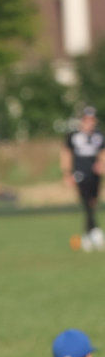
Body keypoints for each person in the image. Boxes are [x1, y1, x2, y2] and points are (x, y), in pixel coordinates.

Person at [61, 106, 103, 250]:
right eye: (87, 120)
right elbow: (66, 153)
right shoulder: (73, 136)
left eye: (92, 120)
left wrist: (101, 164)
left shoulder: (99, 135)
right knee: (86, 202)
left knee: (93, 202)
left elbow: (103, 152)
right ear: (82, 121)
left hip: (95, 175)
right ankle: (95, 232)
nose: (89, 123)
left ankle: (87, 235)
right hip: (79, 173)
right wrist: (67, 173)